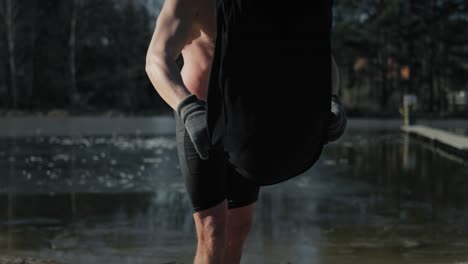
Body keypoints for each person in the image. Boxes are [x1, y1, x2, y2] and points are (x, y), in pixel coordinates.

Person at [145, 0, 346, 263]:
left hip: (247, 117)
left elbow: (316, 53)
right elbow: (156, 59)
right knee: (212, 230)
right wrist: (188, 110)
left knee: (239, 227)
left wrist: (329, 99)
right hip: (199, 117)